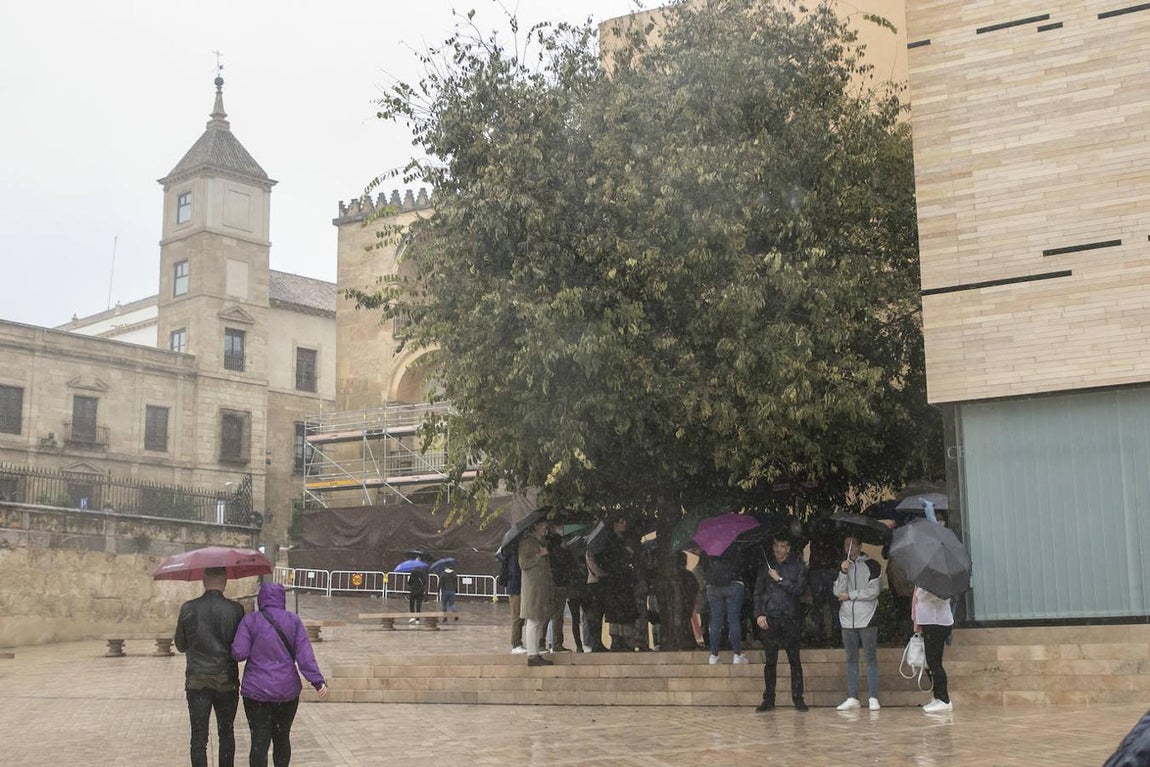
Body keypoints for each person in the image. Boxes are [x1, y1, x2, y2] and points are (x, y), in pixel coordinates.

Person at [231, 582, 328, 767]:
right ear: (282, 598)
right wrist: (317, 681)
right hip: (286, 692)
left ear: (261, 598)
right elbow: (305, 657)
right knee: (282, 737)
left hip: (256, 692)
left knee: (259, 741)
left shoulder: (250, 620)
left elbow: (239, 653)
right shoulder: (293, 621)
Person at [174, 566, 246, 767]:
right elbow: (240, 648)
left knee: (199, 737)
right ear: (225, 581)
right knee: (226, 733)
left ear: (203, 580)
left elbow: (180, 644)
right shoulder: (235, 610)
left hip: (197, 680)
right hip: (226, 680)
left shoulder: (188, 608)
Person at [752, 534, 808, 712]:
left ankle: (798, 699)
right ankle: (769, 699)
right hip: (770, 619)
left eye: (782, 546)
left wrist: (780, 579)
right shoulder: (766, 567)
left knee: (794, 661)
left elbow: (799, 589)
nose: (778, 550)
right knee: (770, 662)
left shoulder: (797, 566)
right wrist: (759, 614)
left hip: (790, 618)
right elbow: (757, 593)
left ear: (789, 548)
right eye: (776, 545)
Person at [833, 535, 883, 711]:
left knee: (870, 658)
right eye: (847, 544)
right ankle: (853, 696)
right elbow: (838, 591)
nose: (850, 547)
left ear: (860, 545)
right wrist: (843, 572)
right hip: (847, 618)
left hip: (867, 616)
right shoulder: (842, 565)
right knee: (851, 658)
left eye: (854, 544)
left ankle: (873, 697)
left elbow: (873, 590)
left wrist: (851, 595)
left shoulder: (872, 565)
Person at [598, 516, 640, 651]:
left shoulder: (624, 539)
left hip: (624, 580)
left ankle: (625, 640)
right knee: (616, 611)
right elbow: (609, 560)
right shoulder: (609, 540)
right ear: (614, 524)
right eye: (621, 521)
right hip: (615, 581)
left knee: (625, 610)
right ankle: (617, 640)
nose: (624, 524)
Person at [703, 545, 748, 665]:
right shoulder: (735, 546)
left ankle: (714, 655)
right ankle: (737, 654)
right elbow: (743, 565)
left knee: (715, 620)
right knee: (733, 619)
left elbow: (704, 566)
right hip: (734, 583)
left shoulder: (709, 546)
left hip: (713, 586)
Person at [914, 584, 955, 712]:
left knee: (935, 662)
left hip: (937, 622)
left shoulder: (939, 581)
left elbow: (930, 597)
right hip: (929, 622)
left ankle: (944, 699)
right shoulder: (925, 580)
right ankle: (937, 696)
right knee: (931, 662)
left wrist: (922, 591)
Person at [518, 519, 554, 666]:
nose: (545, 528)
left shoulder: (542, 542)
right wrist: (539, 556)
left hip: (541, 586)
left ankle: (536, 652)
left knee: (539, 619)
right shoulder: (527, 542)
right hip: (532, 587)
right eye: (543, 525)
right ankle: (532, 654)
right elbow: (523, 563)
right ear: (535, 526)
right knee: (532, 619)